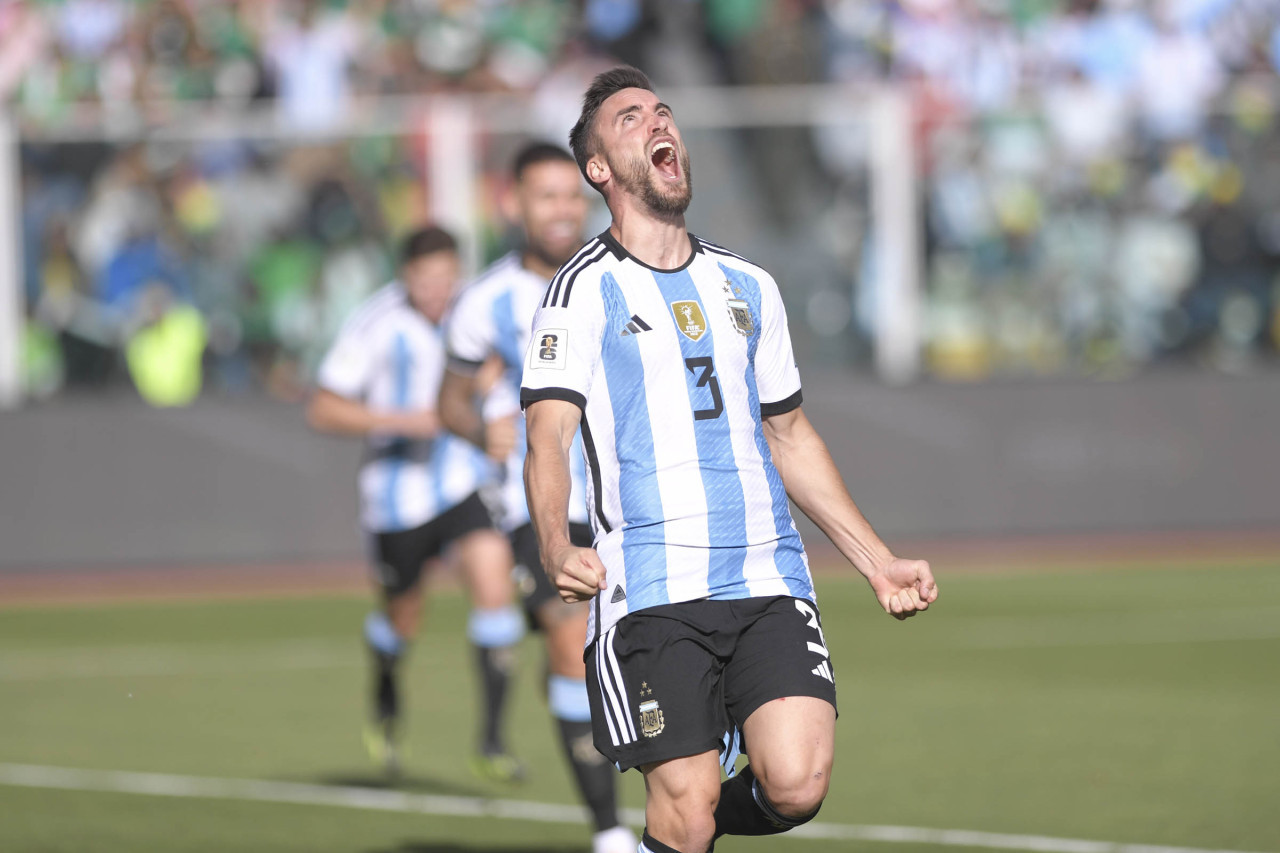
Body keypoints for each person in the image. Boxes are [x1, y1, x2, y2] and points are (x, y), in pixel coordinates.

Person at [520, 67, 939, 853]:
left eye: (662, 111)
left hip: (765, 576)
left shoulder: (749, 285)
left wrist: (876, 560)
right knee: (686, 808)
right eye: (630, 118)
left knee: (798, 781)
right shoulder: (579, 292)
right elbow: (546, 438)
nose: (657, 121)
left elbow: (791, 437)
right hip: (650, 590)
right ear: (599, 169)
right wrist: (552, 541)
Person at [438, 143, 637, 853]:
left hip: (631, 498)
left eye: (567, 194)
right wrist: (477, 426)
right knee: (567, 636)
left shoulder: (621, 278)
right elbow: (451, 401)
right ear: (514, 205)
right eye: (543, 196)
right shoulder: (485, 301)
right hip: (539, 505)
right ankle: (610, 830)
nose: (559, 208)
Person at [307, 225, 526, 781]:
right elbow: (324, 408)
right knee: (403, 618)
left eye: (446, 277)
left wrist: (492, 408)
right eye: (426, 279)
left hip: (461, 481)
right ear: (405, 276)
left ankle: (493, 739)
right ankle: (385, 688)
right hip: (396, 497)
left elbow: (497, 372)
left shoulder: (473, 312)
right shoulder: (374, 323)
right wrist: (406, 420)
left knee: (494, 588)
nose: (437, 290)